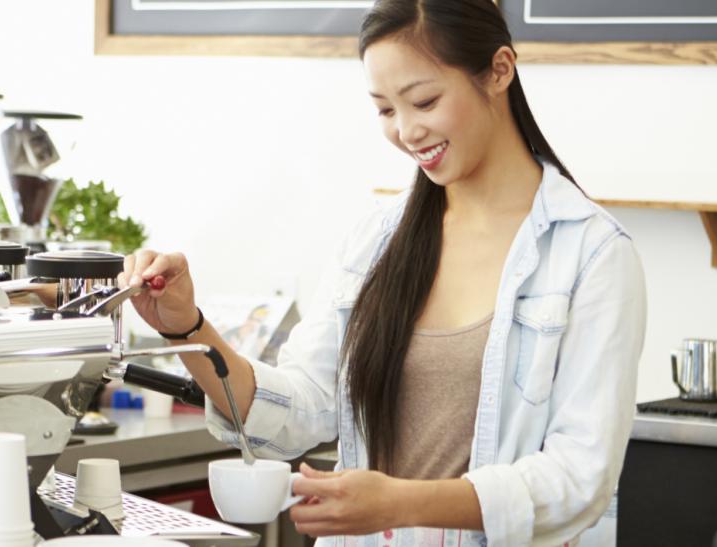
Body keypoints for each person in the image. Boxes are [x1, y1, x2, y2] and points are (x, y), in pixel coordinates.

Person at [119, 0, 646, 544]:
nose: (407, 131)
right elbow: (300, 408)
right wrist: (186, 328)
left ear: (499, 70)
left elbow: (580, 478)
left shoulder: (592, 254)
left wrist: (397, 502)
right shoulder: (377, 240)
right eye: (385, 110)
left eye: (424, 100)